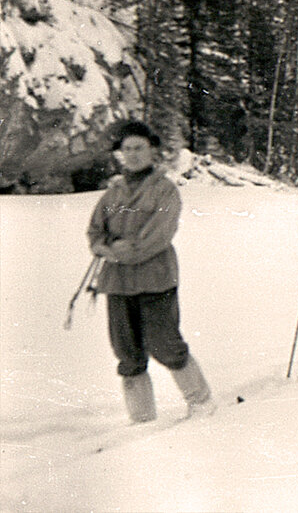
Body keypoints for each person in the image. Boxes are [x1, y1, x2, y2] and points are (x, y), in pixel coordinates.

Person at [86, 120, 216, 423]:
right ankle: (142, 417)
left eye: (139, 148)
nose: (132, 154)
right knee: (126, 351)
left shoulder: (164, 189)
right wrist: (103, 247)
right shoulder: (113, 192)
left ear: (152, 150)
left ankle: (201, 401)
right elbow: (95, 231)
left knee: (164, 343)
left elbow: (159, 234)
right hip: (117, 283)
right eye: (127, 148)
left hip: (155, 279)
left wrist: (119, 251)